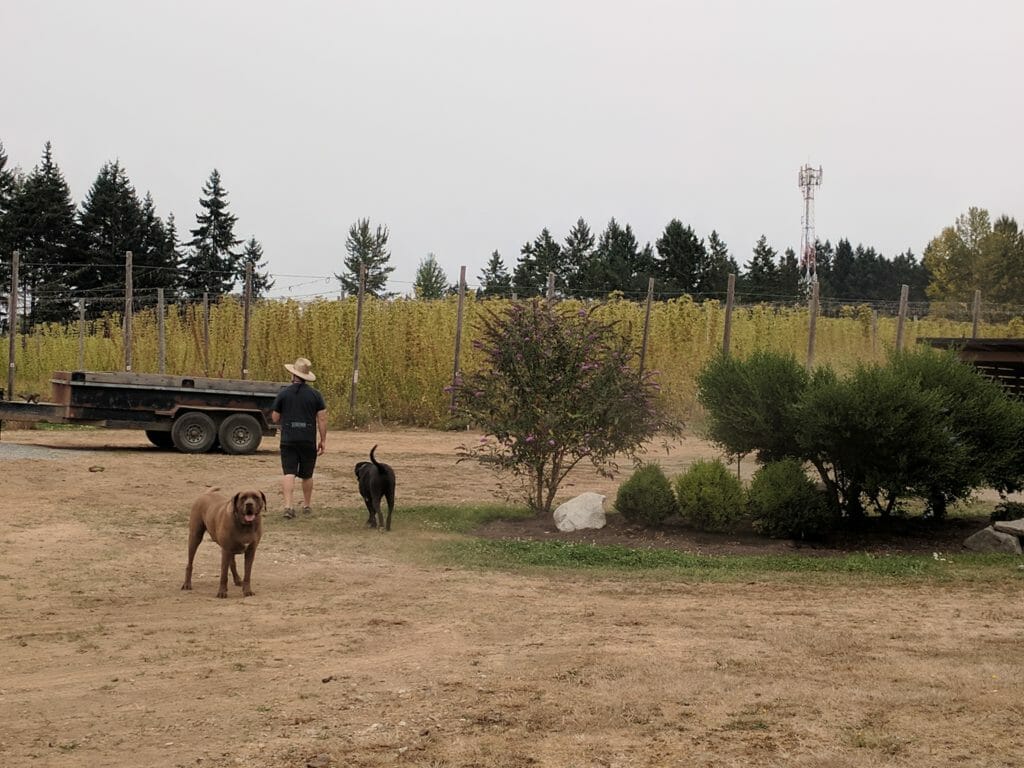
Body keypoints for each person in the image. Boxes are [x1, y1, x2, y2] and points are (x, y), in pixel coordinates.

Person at [271, 357, 327, 519]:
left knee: (289, 473)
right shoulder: (316, 395)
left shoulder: (284, 393)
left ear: (293, 375)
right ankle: (307, 505)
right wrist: (323, 440)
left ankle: (288, 507)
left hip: (288, 439)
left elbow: (275, 418)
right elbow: (322, 418)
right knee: (307, 474)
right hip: (307, 439)